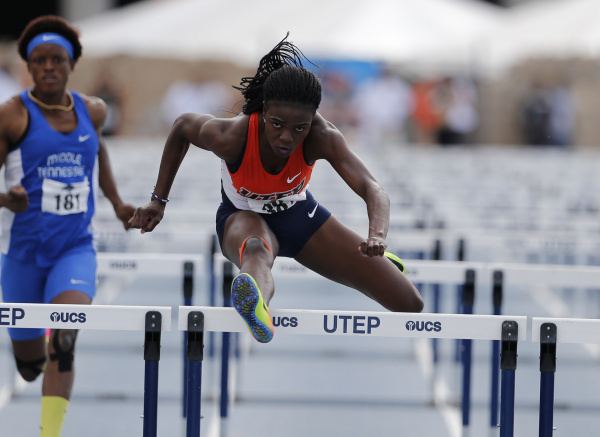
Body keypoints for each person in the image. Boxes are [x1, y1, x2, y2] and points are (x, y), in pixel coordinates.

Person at [129, 35, 424, 343]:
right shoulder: (231, 136)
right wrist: (158, 201)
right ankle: (257, 307)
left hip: (299, 216)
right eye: (278, 124)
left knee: (410, 304)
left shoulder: (324, 136)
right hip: (240, 217)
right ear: (265, 112)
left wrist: (377, 234)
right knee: (256, 249)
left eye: (300, 128)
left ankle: (373, 263)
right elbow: (181, 127)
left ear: (313, 121)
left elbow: (373, 189)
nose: (287, 138)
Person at [0, 15, 136, 437]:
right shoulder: (11, 115)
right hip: (22, 252)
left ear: (71, 64)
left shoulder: (92, 110)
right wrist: (7, 198)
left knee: (63, 340)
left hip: (74, 249)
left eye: (57, 59)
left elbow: (100, 155)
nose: (48, 68)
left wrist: (116, 202)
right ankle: (30, 350)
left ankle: (49, 434)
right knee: (28, 367)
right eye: (39, 60)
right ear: (29, 66)